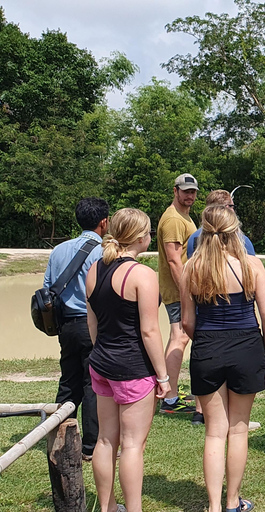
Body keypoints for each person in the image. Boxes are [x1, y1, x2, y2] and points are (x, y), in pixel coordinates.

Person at [180, 205, 265, 512]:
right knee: (238, 428)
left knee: (214, 431)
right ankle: (233, 501)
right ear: (235, 230)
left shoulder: (191, 268)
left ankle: (213, 506)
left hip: (207, 345)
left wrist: (207, 342)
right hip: (247, 344)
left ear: (203, 232)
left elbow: (187, 323)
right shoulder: (251, 265)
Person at [85, 208, 172, 512]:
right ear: (139, 237)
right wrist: (163, 377)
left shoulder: (95, 269)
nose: (150, 237)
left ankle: (108, 507)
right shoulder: (142, 275)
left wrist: (102, 354)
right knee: (133, 445)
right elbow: (149, 331)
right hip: (132, 369)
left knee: (106, 441)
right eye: (149, 232)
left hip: (102, 364)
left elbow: (92, 322)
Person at [43, 197, 109, 461]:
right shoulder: (102, 252)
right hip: (91, 323)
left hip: (66, 325)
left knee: (68, 381)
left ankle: (60, 435)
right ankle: (91, 446)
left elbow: (48, 288)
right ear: (104, 222)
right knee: (92, 383)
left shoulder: (58, 250)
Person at [157, 173, 200, 421]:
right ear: (175, 191)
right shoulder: (173, 219)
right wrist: (187, 293)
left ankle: (168, 391)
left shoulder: (182, 215)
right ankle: (170, 399)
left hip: (180, 288)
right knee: (180, 337)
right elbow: (174, 261)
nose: (190, 196)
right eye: (185, 191)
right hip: (177, 290)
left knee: (178, 337)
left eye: (193, 191)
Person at [187, 190, 256, 259]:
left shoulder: (193, 239)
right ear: (226, 208)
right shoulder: (241, 240)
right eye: (232, 206)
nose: (233, 211)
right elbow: (252, 266)